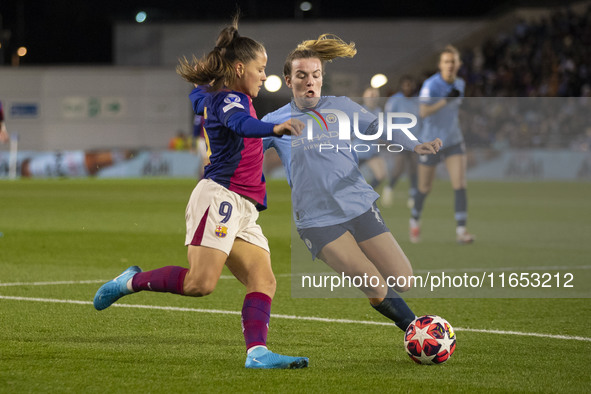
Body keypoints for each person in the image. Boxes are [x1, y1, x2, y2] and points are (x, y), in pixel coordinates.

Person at [93, 17, 308, 369]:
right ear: (240, 68)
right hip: (220, 197)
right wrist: (275, 127)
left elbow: (199, 97)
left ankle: (257, 354)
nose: (263, 76)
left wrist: (207, 88)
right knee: (200, 284)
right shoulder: (229, 101)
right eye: (260, 68)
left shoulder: (217, 94)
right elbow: (243, 125)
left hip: (244, 206)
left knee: (263, 280)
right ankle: (128, 282)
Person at [262, 34, 442, 332]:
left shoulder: (342, 107)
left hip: (357, 206)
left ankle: (416, 329)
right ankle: (417, 330)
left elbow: (379, 128)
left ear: (322, 78)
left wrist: (415, 145)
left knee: (403, 279)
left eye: (315, 75)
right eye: (301, 75)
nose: (310, 81)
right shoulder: (275, 120)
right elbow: (245, 149)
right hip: (318, 221)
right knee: (372, 283)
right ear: (287, 80)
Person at [410, 45, 474, 244]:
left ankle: (461, 231)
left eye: (453, 61)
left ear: (459, 64)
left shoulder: (461, 84)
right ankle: (414, 219)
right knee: (424, 188)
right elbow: (423, 112)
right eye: (446, 61)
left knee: (460, 184)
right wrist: (445, 100)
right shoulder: (431, 85)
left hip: (453, 140)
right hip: (430, 142)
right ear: (440, 65)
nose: (450, 65)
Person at [381, 76, 420, 208]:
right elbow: (388, 119)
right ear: (402, 86)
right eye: (406, 85)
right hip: (400, 139)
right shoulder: (395, 100)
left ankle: (413, 196)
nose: (408, 88)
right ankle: (389, 189)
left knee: (414, 168)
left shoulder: (417, 100)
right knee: (399, 167)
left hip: (415, 139)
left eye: (410, 85)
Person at [354, 87, 388, 189]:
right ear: (364, 97)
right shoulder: (359, 111)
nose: (373, 98)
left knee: (381, 175)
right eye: (370, 95)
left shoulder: (379, 111)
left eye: (375, 95)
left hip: (372, 151)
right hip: (358, 150)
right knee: (346, 178)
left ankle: (364, 195)